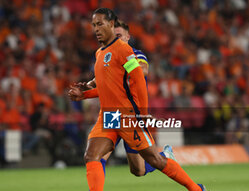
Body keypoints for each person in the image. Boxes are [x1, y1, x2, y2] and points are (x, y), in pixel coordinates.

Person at [68, 8, 208, 191]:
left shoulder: (124, 50)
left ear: (111, 24)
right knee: (92, 155)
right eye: (93, 25)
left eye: (100, 24)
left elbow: (139, 80)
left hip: (128, 116)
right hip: (108, 117)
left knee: (153, 161)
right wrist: (84, 95)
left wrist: (142, 113)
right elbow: (107, 88)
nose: (96, 29)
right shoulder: (99, 53)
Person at [74, 20, 175, 177]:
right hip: (112, 115)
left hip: (131, 115)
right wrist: (87, 86)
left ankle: (164, 157)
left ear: (128, 37)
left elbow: (143, 70)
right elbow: (102, 84)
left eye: (119, 36)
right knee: (96, 157)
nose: (116, 39)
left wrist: (126, 66)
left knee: (138, 170)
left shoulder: (135, 54)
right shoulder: (107, 56)